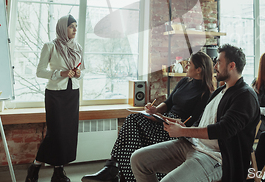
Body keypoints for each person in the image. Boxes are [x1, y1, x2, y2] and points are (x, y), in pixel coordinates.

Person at [130, 44, 260, 182]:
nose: (215, 66)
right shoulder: (219, 91)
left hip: (217, 157)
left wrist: (183, 132)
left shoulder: (245, 96)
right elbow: (203, 121)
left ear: (231, 66)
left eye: (219, 62)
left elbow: (223, 130)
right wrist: (177, 124)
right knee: (138, 159)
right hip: (193, 145)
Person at [82, 51, 215, 182]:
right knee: (132, 121)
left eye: (189, 64)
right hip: (163, 119)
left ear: (199, 69)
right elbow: (168, 102)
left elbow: (189, 124)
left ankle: (114, 171)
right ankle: (113, 169)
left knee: (133, 126)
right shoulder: (185, 81)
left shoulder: (206, 93)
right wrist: (155, 110)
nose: (186, 66)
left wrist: (160, 117)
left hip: (174, 129)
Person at [25, 15, 84, 182]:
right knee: (55, 133)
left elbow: (83, 70)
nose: (74, 29)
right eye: (71, 26)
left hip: (72, 94)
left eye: (76, 26)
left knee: (67, 134)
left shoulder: (77, 47)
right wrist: (61, 73)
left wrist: (79, 74)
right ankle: (35, 167)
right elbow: (40, 71)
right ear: (61, 28)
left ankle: (58, 172)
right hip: (55, 94)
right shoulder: (50, 46)